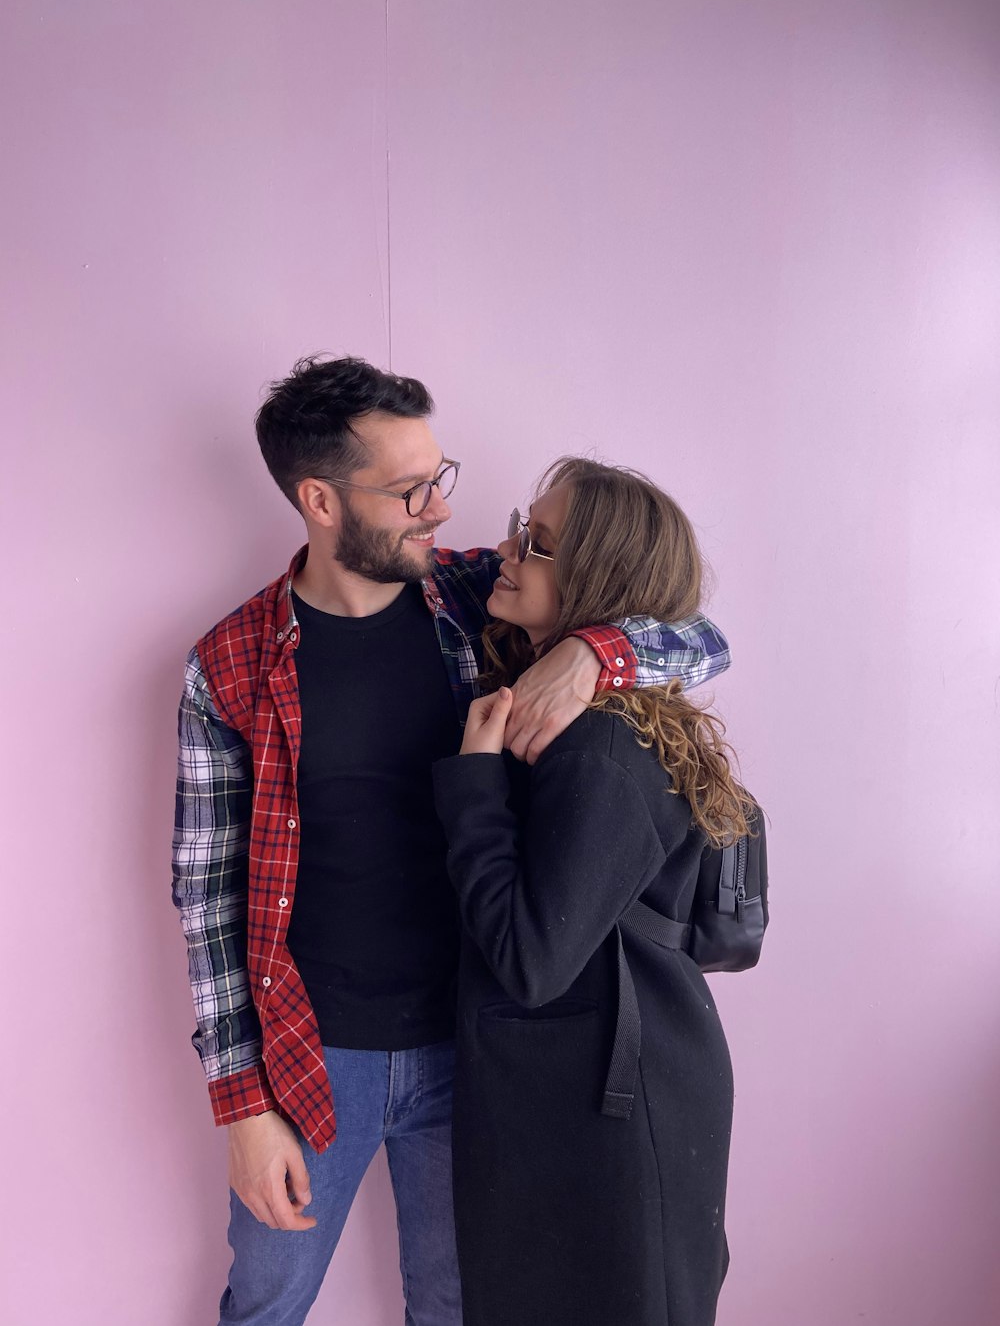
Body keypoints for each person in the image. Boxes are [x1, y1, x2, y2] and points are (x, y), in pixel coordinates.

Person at [172, 358, 732, 1326]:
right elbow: (206, 894)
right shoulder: (229, 662)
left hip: (482, 1041)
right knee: (264, 1301)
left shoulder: (474, 599)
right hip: (316, 1054)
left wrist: (588, 653)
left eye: (442, 476)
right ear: (320, 499)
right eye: (407, 489)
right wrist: (242, 1105)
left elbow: (700, 633)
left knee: (465, 1303)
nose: (437, 509)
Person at [433, 457, 756, 1326]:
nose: (506, 547)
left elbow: (531, 959)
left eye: (536, 543)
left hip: (614, 1111)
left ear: (595, 583)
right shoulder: (583, 710)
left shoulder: (600, 745)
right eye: (520, 525)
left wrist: (471, 783)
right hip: (599, 1093)